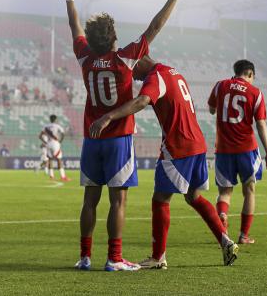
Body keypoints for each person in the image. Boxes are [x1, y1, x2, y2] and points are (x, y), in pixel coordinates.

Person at [62, 0, 182, 272]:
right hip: (118, 138)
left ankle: (85, 257)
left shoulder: (84, 58)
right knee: (118, 201)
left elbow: (74, 26)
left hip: (92, 139)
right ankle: (114, 258)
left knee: (90, 200)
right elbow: (155, 27)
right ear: (113, 36)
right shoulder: (125, 59)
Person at [91, 56, 239, 268]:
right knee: (194, 197)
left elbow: (142, 101)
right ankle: (226, 242)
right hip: (197, 143)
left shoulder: (155, 76)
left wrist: (109, 117)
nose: (134, 77)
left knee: (160, 199)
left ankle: (158, 257)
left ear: (139, 61)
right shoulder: (173, 72)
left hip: (178, 146)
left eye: (133, 71)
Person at [208, 59, 267, 245]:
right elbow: (261, 124)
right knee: (249, 190)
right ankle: (243, 235)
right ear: (250, 74)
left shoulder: (220, 86)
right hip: (246, 149)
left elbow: (212, 110)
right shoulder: (255, 93)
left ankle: (222, 217)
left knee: (225, 192)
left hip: (223, 149)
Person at [39, 114, 70, 182]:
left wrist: (45, 142)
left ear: (50, 119)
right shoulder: (58, 126)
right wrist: (60, 141)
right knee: (59, 159)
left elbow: (40, 136)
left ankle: (51, 176)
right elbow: (63, 134)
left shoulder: (46, 127)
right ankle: (63, 176)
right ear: (56, 119)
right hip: (55, 143)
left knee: (50, 159)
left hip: (48, 144)